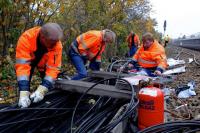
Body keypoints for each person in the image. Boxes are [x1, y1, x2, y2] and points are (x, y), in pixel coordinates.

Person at [15, 23, 63, 108]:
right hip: (29, 61)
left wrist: (43, 89)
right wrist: (23, 91)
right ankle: (22, 103)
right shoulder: (26, 38)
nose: (55, 45)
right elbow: (22, 66)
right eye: (52, 43)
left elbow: (53, 68)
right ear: (42, 38)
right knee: (23, 89)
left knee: (49, 86)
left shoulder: (56, 44)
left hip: (44, 64)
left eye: (56, 42)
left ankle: (47, 105)